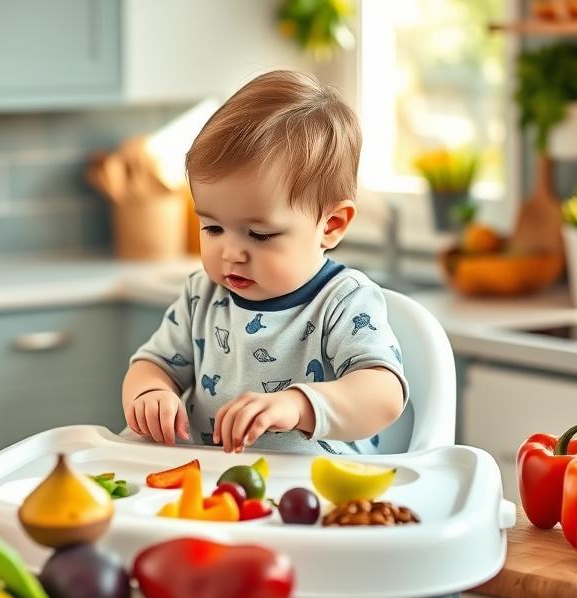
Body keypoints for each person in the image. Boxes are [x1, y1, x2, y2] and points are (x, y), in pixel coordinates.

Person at [122, 70, 407, 455]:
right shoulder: (200, 295)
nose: (230, 252)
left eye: (259, 235)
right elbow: (152, 363)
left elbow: (384, 394)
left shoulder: (343, 301)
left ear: (331, 225)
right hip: (214, 492)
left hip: (318, 497)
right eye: (212, 227)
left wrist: (297, 405)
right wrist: (151, 392)